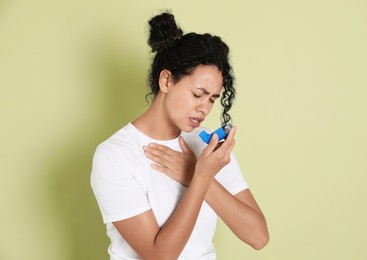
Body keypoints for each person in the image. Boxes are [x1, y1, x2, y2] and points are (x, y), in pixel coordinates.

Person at [91, 11, 269, 260]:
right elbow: (159, 256)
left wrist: (198, 174)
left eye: (212, 99)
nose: (204, 108)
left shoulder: (207, 146)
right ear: (166, 81)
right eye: (198, 94)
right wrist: (200, 176)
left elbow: (258, 236)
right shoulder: (115, 155)